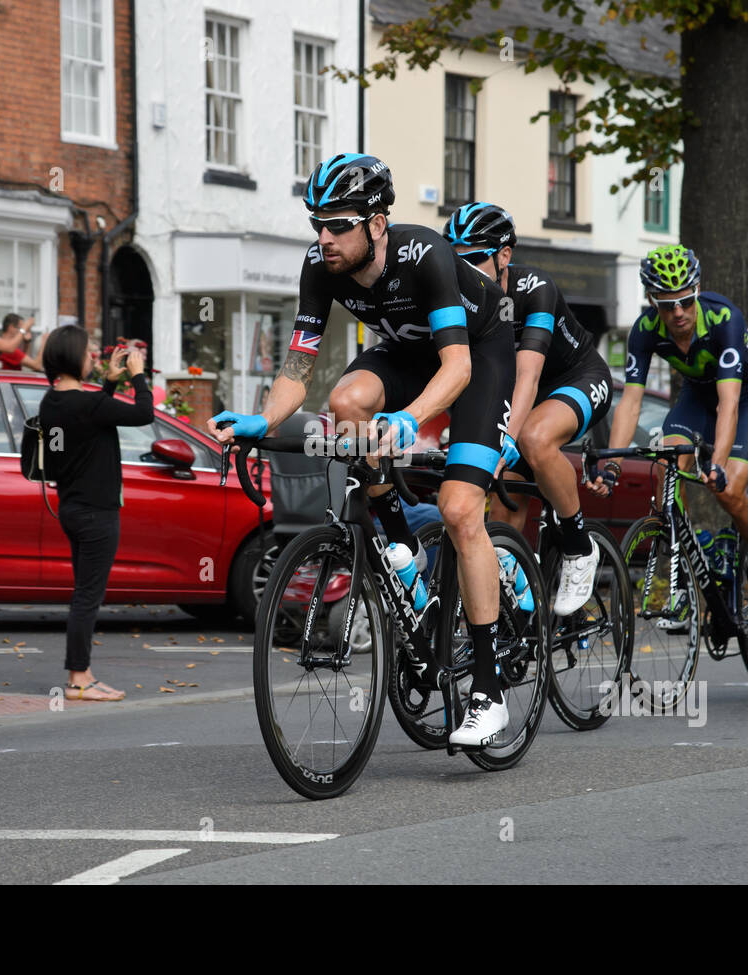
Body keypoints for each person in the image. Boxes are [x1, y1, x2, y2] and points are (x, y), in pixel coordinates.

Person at [207, 152, 518, 748]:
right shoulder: (319, 266)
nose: (323, 238)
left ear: (377, 224)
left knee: (458, 510)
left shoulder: (424, 255)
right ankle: (401, 546)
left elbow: (456, 367)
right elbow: (300, 365)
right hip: (403, 353)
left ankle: (488, 690)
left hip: (476, 358)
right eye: (317, 224)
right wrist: (263, 418)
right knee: (346, 400)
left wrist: (408, 419)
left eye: (338, 224)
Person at [588, 244, 748, 636]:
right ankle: (684, 579)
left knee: (729, 490)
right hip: (698, 393)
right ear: (652, 301)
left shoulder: (723, 319)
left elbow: (729, 402)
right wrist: (613, 464)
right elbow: (631, 401)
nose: (678, 312)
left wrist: (717, 462)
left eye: (685, 301)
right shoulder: (645, 331)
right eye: (667, 305)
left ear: (697, 289)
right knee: (664, 466)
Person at [442, 202, 611, 614]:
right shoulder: (458, 297)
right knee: (502, 516)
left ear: (504, 255)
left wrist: (506, 439)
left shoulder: (535, 288)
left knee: (534, 438)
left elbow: (529, 377)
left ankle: (578, 545)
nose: (466, 270)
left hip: (575, 379)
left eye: (477, 258)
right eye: (456, 260)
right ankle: (521, 610)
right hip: (521, 393)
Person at [39, 325, 153, 701]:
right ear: (73, 357)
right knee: (87, 596)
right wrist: (137, 375)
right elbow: (143, 414)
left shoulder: (52, 402)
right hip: (98, 514)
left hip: (71, 509)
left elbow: (89, 423)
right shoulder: (87, 405)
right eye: (88, 352)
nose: (93, 357)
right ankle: (77, 678)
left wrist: (107, 385)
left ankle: (82, 672)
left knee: (83, 593)